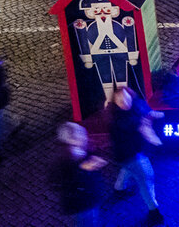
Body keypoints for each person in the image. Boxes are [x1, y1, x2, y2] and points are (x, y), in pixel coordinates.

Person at [109, 87, 164, 226]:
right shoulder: (118, 120)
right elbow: (139, 127)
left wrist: (151, 114)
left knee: (128, 169)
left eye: (126, 98)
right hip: (132, 154)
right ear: (115, 102)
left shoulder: (137, 104)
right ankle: (154, 211)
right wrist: (151, 136)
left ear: (130, 96)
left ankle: (119, 189)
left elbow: (145, 112)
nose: (125, 102)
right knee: (146, 178)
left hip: (130, 154)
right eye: (120, 100)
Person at [51, 122, 107, 227]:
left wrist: (95, 159)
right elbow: (57, 184)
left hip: (91, 196)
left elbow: (93, 153)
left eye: (82, 133)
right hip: (80, 204)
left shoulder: (84, 146)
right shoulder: (62, 160)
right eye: (79, 136)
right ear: (70, 141)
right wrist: (82, 169)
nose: (84, 137)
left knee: (93, 218)